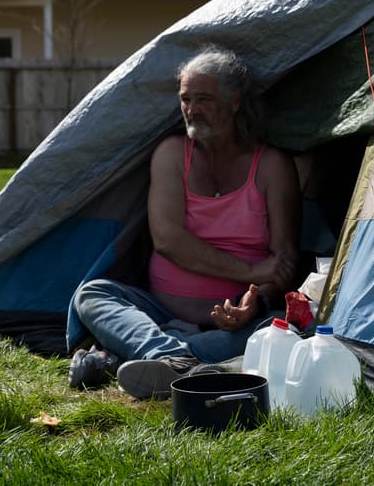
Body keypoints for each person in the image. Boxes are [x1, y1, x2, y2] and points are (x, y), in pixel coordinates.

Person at [69, 47, 301, 399]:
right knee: (92, 294)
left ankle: (151, 357)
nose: (192, 110)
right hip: (160, 308)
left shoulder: (271, 165)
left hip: (234, 318)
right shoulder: (173, 153)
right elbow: (168, 240)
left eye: (204, 99)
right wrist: (253, 272)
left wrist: (256, 300)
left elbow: (284, 263)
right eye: (185, 99)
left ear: (234, 102)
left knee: (276, 328)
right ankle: (180, 358)